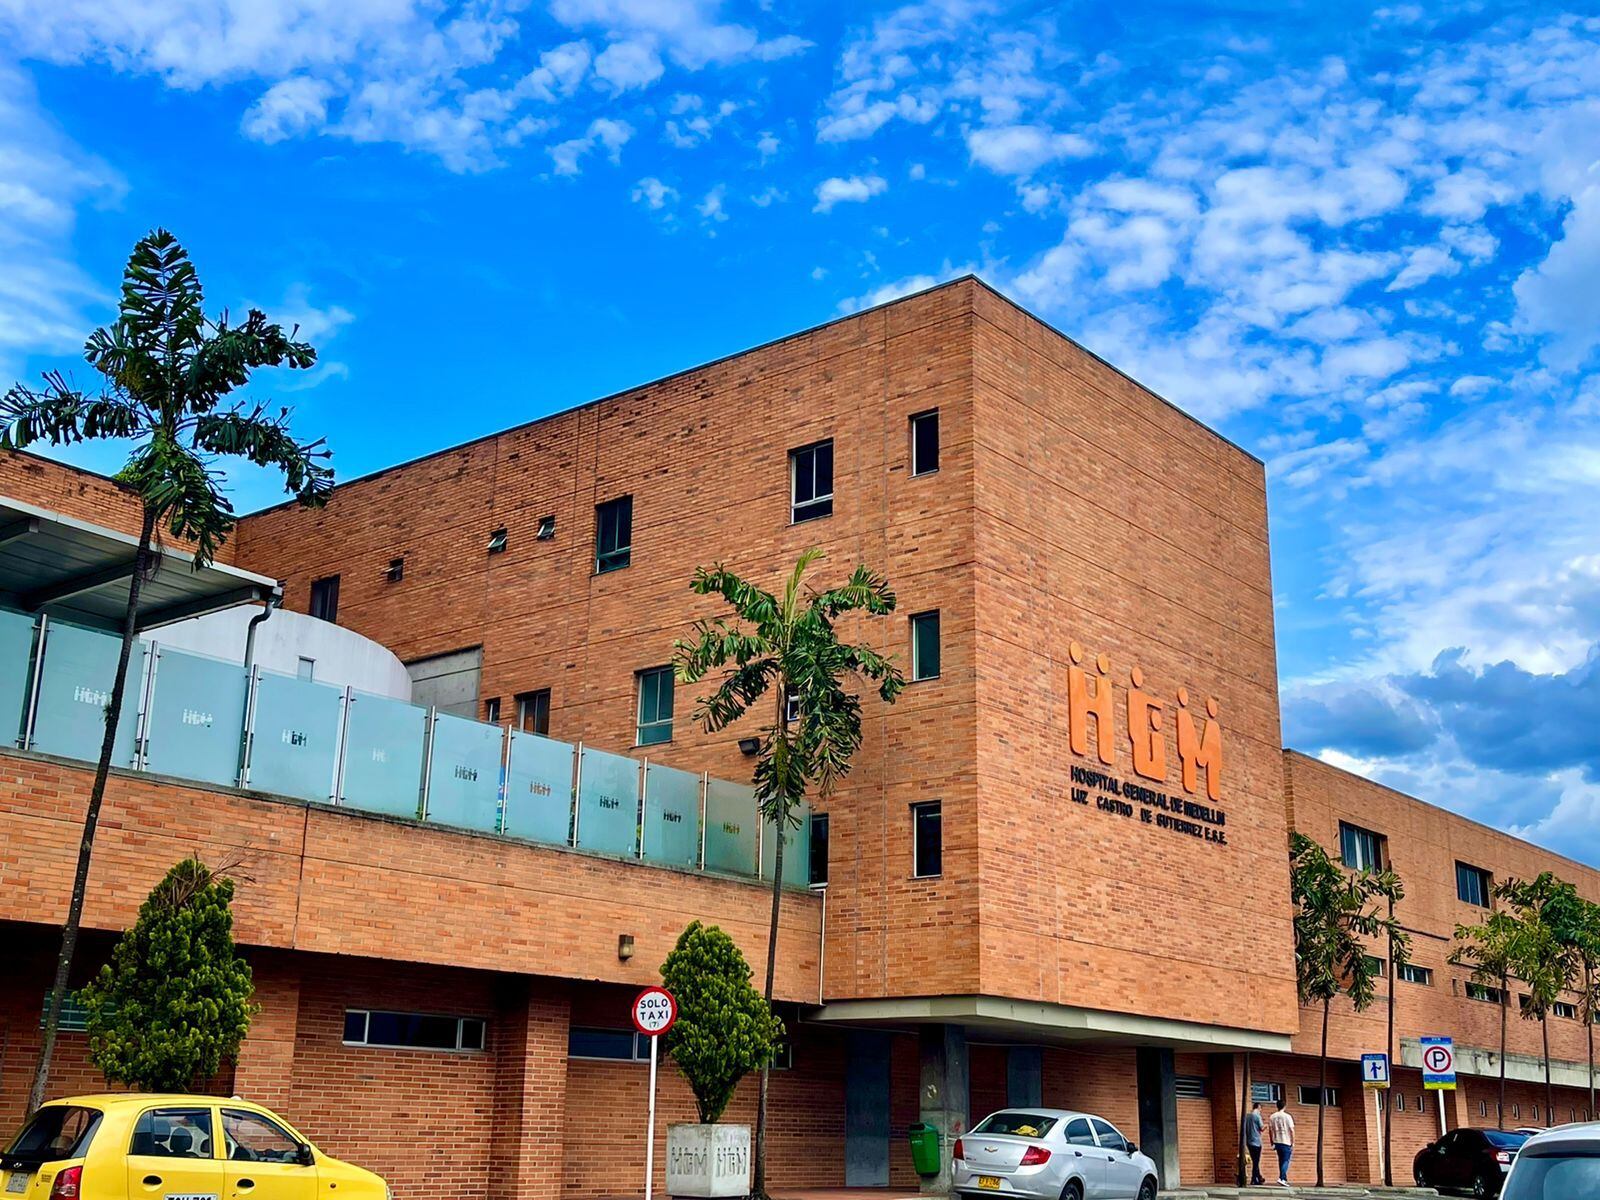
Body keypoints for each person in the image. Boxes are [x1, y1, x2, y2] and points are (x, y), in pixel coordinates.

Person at [1267, 1098, 1295, 1186]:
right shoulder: (1287, 1116)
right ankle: (1282, 1178)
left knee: (1281, 1160)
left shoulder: (1272, 1116)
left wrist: (1272, 1141)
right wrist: (1293, 1142)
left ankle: (1284, 1178)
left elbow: (1270, 1130)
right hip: (1286, 1141)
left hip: (1277, 1141)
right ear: (1285, 1106)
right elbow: (1291, 1130)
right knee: (1286, 1160)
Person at [1244, 1101, 1265, 1185]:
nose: (1260, 1110)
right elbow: (1262, 1128)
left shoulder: (1247, 1116)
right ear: (1258, 1107)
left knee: (1255, 1160)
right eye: (1260, 1109)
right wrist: (1266, 1126)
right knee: (1256, 1161)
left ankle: (1259, 1177)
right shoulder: (1257, 1116)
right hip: (1256, 1141)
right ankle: (1254, 1179)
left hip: (1249, 1141)